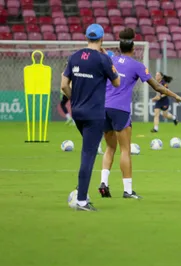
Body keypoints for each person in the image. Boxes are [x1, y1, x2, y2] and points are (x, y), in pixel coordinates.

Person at [98, 28, 181, 199]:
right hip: (121, 109)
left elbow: (103, 55)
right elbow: (157, 86)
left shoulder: (111, 60)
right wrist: (176, 96)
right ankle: (127, 190)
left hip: (104, 107)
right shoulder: (137, 66)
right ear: (133, 49)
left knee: (110, 147)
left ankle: (104, 182)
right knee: (125, 150)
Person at [60, 23, 120, 211]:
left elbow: (63, 85)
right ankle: (82, 200)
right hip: (94, 114)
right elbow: (117, 82)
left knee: (88, 150)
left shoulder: (75, 56)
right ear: (102, 39)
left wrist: (75, 99)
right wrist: (109, 62)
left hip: (77, 112)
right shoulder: (103, 59)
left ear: (86, 37)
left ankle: (81, 190)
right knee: (88, 155)